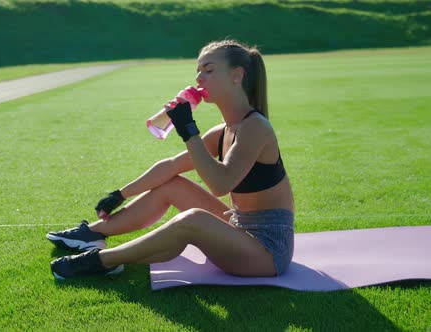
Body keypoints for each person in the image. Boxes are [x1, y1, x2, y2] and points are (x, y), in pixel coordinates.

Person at [47, 39, 295, 280]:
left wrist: (188, 129)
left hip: (267, 251)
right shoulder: (223, 131)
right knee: (172, 185)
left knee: (193, 219)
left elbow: (221, 185)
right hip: (238, 225)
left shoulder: (255, 127)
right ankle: (92, 233)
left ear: (236, 75)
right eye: (198, 71)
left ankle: (103, 261)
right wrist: (120, 195)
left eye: (208, 70)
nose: (199, 79)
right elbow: (172, 166)